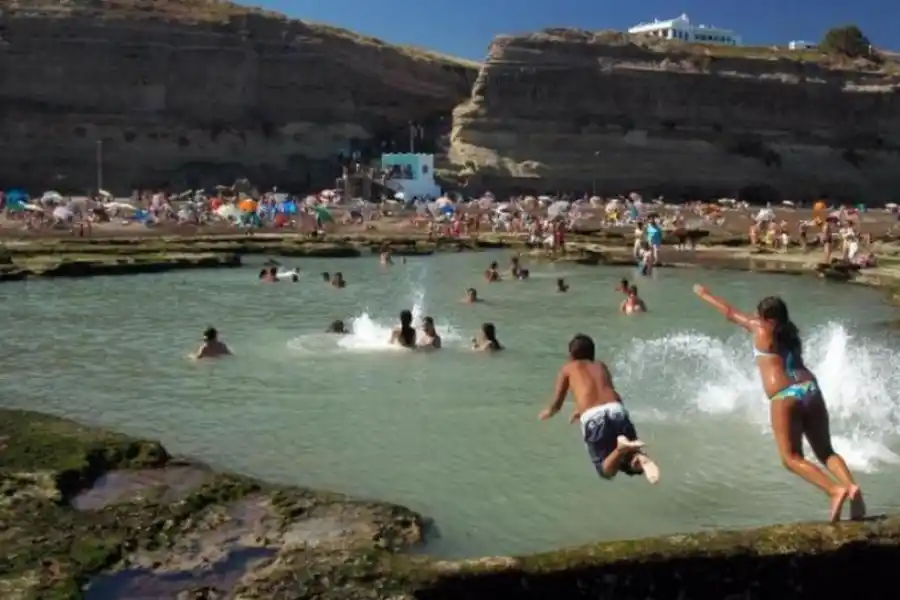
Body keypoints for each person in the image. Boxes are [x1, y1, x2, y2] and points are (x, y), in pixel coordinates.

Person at [693, 285, 864, 522]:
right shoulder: (792, 332)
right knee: (825, 451)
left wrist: (705, 295)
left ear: (766, 317)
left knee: (790, 458)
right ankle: (852, 488)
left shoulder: (760, 327)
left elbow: (730, 312)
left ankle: (835, 490)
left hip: (786, 395)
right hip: (811, 389)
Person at [538, 334, 659, 484]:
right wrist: (579, 409)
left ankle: (621, 449)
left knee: (606, 471)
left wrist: (548, 412)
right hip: (616, 410)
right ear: (593, 353)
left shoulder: (567, 369)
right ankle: (637, 457)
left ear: (570, 355)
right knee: (627, 459)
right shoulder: (600, 365)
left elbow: (557, 405)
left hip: (593, 417)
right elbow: (602, 392)